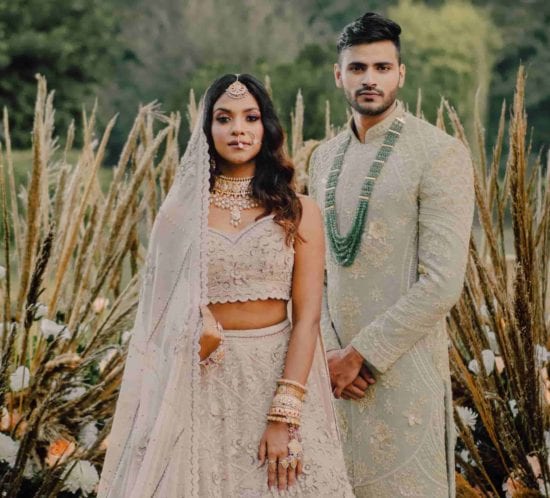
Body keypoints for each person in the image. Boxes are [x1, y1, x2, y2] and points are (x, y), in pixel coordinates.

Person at [98, 73, 353, 497]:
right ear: (207, 130)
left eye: (250, 117)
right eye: (224, 118)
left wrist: (284, 415)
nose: (238, 128)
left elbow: (307, 320)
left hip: (276, 375)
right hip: (200, 382)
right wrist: (193, 330)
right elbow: (155, 322)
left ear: (266, 127)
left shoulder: (300, 211)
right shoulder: (180, 216)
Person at [308, 12, 475, 498]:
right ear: (339, 75)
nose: (369, 79)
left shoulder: (439, 153)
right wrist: (327, 356)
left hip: (402, 371)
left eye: (382, 68)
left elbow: (442, 282)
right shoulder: (324, 158)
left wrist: (361, 356)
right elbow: (314, 269)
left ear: (401, 74)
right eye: (357, 68)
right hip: (332, 375)